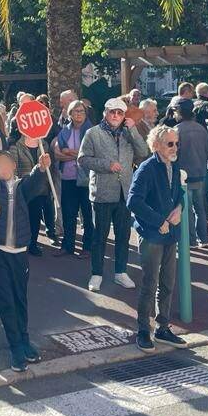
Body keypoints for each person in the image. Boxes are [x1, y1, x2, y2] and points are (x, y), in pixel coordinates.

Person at [0, 148, 50, 372]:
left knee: (20, 299)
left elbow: (34, 182)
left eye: (5, 163)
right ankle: (15, 347)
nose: (2, 168)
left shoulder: (22, 186)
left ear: (13, 165)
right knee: (5, 301)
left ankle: (24, 340)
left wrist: (41, 168)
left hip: (20, 253)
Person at [78, 97, 148, 292]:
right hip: (102, 192)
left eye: (120, 112)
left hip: (125, 192)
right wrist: (106, 165)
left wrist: (133, 128)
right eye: (112, 112)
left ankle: (121, 272)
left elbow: (143, 151)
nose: (116, 115)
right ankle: (96, 274)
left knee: (123, 235)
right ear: (105, 113)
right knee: (99, 236)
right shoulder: (93, 133)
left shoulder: (128, 133)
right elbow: (82, 159)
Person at [128, 125, 187, 352]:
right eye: (169, 143)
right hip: (152, 235)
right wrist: (159, 221)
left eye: (176, 143)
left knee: (168, 283)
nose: (174, 147)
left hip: (170, 235)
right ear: (156, 146)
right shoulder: (146, 168)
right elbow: (133, 201)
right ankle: (143, 330)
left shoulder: (174, 165)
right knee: (149, 283)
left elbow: (179, 193)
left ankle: (163, 327)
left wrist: (180, 208)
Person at [53, 99, 93, 258]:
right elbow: (57, 154)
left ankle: (88, 247)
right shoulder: (64, 132)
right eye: (75, 111)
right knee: (69, 214)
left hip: (87, 179)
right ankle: (67, 246)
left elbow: (90, 155)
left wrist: (69, 152)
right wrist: (76, 154)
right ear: (69, 114)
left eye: (81, 111)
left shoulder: (92, 131)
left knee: (88, 214)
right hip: (68, 178)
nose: (79, 114)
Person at [8, 129, 57, 256]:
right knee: (23, 217)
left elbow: (50, 167)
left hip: (41, 189)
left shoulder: (44, 144)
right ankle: (22, 242)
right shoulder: (15, 146)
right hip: (23, 189)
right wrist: (17, 184)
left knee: (35, 218)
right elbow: (13, 168)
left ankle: (33, 244)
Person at [175, 102, 208, 245]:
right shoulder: (201, 129)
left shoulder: (177, 130)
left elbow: (174, 153)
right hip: (200, 171)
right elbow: (207, 148)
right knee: (200, 207)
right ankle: (203, 237)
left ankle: (191, 240)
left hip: (184, 174)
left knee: (187, 209)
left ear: (180, 112)